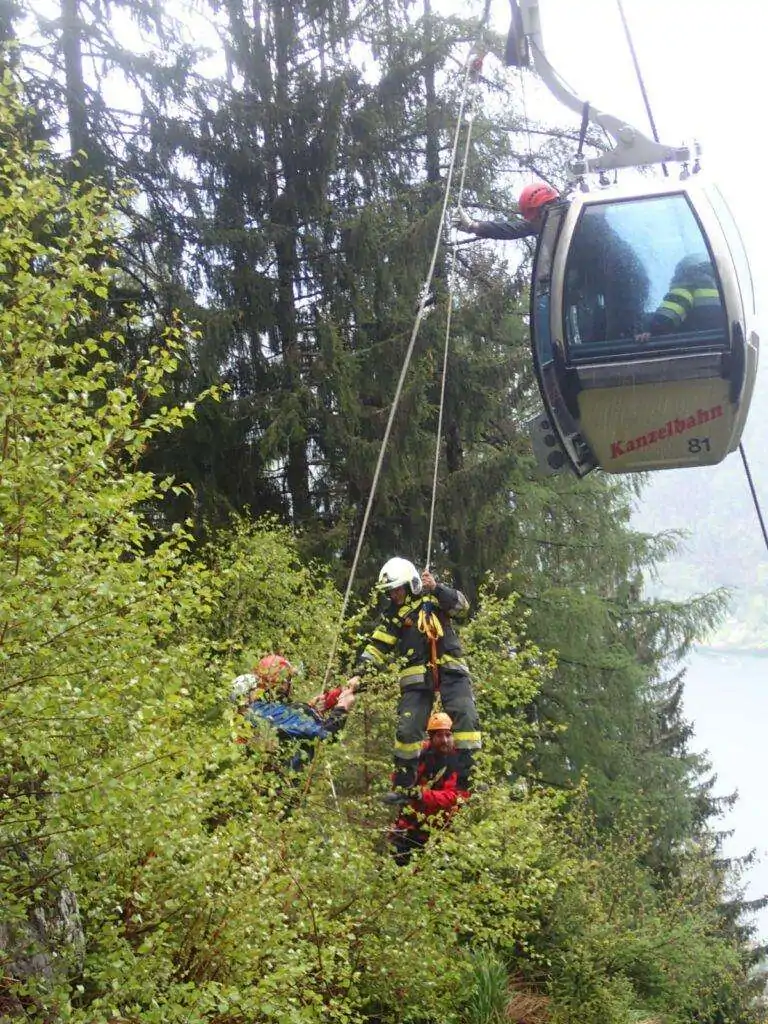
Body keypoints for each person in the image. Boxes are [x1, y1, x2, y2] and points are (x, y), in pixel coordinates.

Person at [357, 557, 481, 791]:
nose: (393, 595)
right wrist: (359, 674)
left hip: (452, 671)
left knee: (466, 718)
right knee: (407, 729)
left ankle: (468, 779)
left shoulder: (434, 596)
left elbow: (463, 608)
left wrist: (437, 588)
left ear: (409, 584)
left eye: (396, 590)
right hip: (416, 682)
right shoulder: (394, 615)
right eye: (390, 592)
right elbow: (377, 647)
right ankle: (404, 786)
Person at [231, 654, 358, 771]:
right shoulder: (266, 713)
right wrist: (342, 706)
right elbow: (326, 733)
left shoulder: (249, 717)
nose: (288, 684)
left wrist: (339, 691)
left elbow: (295, 714)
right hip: (286, 785)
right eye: (286, 680)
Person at [385, 712, 471, 866]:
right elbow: (402, 775)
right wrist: (400, 789)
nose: (444, 740)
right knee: (392, 872)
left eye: (448, 735)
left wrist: (421, 795)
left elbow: (454, 797)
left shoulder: (460, 762)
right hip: (410, 828)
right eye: (439, 735)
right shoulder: (421, 754)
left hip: (441, 832)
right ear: (431, 737)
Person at [636, 253, 724, 341]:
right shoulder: (724, 291)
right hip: (718, 340)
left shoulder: (688, 286)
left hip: (695, 343)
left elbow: (668, 314)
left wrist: (650, 331)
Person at [454, 181, 560, 240]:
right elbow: (510, 229)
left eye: (535, 219)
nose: (534, 224)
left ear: (545, 210)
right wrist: (473, 226)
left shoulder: (573, 217)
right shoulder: (545, 223)